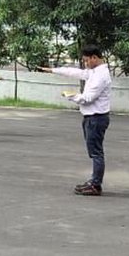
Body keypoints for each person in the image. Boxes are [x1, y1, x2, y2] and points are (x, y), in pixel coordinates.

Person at [38, 44, 112, 195]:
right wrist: (53, 70)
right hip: (92, 117)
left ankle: (96, 185)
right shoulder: (94, 72)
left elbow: (88, 98)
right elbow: (75, 72)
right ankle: (94, 181)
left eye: (86, 60)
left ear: (94, 58)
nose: (85, 64)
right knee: (94, 152)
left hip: (96, 118)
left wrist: (70, 95)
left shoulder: (100, 75)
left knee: (96, 153)